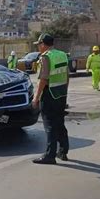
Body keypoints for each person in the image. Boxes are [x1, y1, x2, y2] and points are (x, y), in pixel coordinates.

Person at [32, 33, 69, 164]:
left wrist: (36, 98)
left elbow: (43, 79)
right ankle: (63, 151)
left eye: (39, 45)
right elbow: (66, 75)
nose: (38, 48)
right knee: (59, 123)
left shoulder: (45, 57)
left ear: (43, 44)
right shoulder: (62, 54)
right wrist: (65, 92)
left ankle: (50, 155)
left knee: (49, 126)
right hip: (61, 94)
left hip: (49, 94)